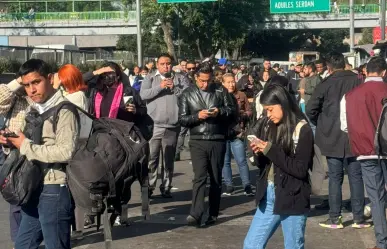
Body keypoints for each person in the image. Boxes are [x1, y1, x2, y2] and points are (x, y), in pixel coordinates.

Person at [0, 59, 80, 249]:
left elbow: (66, 151)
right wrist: (12, 143)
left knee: (55, 245)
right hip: (33, 185)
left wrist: (24, 144)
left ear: (50, 79)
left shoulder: (65, 110)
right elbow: (27, 146)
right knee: (23, 245)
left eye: (36, 82)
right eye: (26, 85)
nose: (31, 89)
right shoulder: (33, 109)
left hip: (54, 187)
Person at [244, 84, 313, 249]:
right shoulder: (269, 125)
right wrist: (258, 153)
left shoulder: (302, 129)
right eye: (266, 110)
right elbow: (265, 165)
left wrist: (269, 150)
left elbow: (300, 169)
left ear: (282, 104)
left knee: (293, 245)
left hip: (292, 195)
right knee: (251, 245)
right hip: (269, 193)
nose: (268, 114)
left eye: (270, 109)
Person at [306, 52, 368, 229]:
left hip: (331, 135)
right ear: (346, 63)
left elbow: (311, 108)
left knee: (335, 177)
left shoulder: (326, 83)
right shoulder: (358, 80)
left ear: (329, 67)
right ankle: (358, 218)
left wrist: (322, 122)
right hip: (355, 135)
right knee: (356, 176)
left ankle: (335, 218)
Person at [179, 63, 235, 226]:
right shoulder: (187, 94)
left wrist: (219, 111)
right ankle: (196, 213)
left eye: (208, 81)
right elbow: (182, 119)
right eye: (202, 81)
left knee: (216, 178)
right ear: (195, 78)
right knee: (200, 177)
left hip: (217, 138)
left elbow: (232, 110)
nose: (205, 84)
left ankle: (213, 212)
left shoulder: (220, 90)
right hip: (197, 140)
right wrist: (197, 116)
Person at [341, 57, 387, 249]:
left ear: (366, 71)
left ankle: (382, 242)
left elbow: (345, 126)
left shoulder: (350, 96)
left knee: (376, 198)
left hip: (366, 151)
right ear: (384, 72)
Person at [140, 53, 190, 198]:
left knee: (168, 159)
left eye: (168, 63)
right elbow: (143, 95)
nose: (165, 66)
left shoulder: (180, 78)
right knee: (152, 158)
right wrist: (160, 87)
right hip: (154, 124)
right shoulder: (149, 78)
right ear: (157, 65)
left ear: (172, 64)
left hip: (173, 124)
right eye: (162, 64)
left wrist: (175, 88)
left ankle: (166, 186)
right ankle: (150, 186)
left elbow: (188, 96)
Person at [54, 64, 92, 240]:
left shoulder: (75, 97)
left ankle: (77, 228)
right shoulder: (76, 95)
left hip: (76, 146)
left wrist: (54, 88)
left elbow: (55, 106)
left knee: (74, 189)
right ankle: (76, 227)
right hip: (78, 144)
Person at [0, 76, 29, 247]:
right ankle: (19, 240)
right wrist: (18, 81)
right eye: (26, 83)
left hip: (38, 155)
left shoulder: (48, 99)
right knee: (16, 198)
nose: (31, 88)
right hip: (14, 156)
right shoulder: (15, 98)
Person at [221, 73, 254, 196]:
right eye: (228, 82)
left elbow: (249, 110)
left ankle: (247, 185)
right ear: (223, 83)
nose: (231, 84)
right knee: (226, 161)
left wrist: (244, 115)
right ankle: (229, 186)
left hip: (237, 132)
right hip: (223, 132)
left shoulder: (241, 95)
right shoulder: (219, 95)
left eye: (233, 81)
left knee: (241, 160)